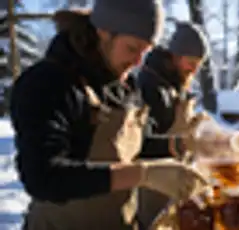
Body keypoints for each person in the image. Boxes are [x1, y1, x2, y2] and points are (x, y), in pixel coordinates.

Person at [10, 1, 206, 230]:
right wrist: (142, 175)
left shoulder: (123, 85)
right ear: (102, 33)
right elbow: (44, 177)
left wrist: (182, 144)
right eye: (132, 48)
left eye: (146, 52)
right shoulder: (49, 83)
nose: (137, 63)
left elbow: (131, 146)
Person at [136, 21, 211, 229]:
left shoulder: (174, 84)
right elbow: (139, 144)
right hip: (152, 187)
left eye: (199, 63)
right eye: (191, 61)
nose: (194, 69)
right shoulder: (149, 86)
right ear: (175, 56)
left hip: (173, 180)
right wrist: (180, 144)